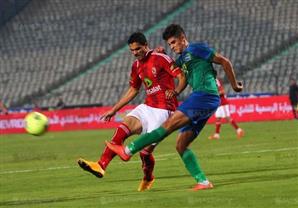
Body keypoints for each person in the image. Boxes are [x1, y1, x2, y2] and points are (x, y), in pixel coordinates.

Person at [106, 24, 243, 191]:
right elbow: (177, 73)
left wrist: (234, 86)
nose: (172, 46)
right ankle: (203, 181)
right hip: (204, 101)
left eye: (174, 42)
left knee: (168, 125)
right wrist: (162, 59)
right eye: (170, 44)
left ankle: (127, 151)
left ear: (183, 39)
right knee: (181, 144)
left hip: (204, 95)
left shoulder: (196, 48)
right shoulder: (182, 58)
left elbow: (224, 61)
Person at [77, 32, 186, 191]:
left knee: (145, 153)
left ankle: (148, 178)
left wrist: (175, 91)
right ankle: (101, 165)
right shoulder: (136, 66)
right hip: (147, 107)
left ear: (145, 45)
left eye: (138, 49)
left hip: (164, 111)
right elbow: (133, 89)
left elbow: (181, 76)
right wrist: (114, 109)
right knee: (122, 128)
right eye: (132, 50)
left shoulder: (160, 58)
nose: (135, 53)